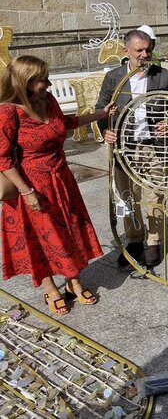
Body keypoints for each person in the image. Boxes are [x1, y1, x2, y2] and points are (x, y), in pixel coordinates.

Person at [0, 56, 117, 315]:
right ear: (25, 82)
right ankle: (49, 288)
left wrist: (102, 114)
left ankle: (73, 281)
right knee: (41, 238)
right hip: (30, 186)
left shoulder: (48, 100)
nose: (48, 83)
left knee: (69, 231)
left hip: (61, 179)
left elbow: (66, 123)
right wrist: (26, 191)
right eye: (42, 79)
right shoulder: (9, 111)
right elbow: (3, 157)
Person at [95, 28, 168, 268]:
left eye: (148, 50)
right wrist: (105, 130)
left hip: (155, 147)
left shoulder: (163, 76)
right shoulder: (114, 77)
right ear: (126, 51)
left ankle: (152, 242)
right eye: (139, 50)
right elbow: (102, 107)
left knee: (154, 196)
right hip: (125, 148)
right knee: (127, 196)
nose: (145, 55)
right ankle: (133, 240)